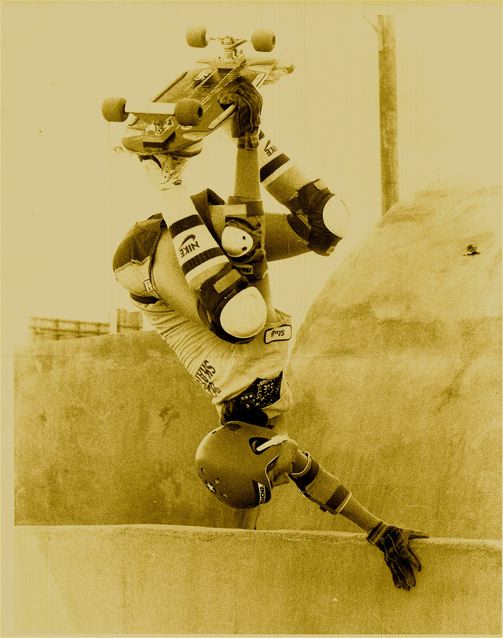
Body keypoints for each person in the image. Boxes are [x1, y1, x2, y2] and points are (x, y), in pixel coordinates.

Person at [112, 78, 427, 590]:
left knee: (242, 313)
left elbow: (247, 246)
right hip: (201, 251)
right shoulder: (266, 419)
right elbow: (321, 485)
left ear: (250, 447)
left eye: (273, 474)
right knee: (326, 223)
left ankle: (162, 174)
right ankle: (252, 137)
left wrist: (244, 137)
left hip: (147, 263)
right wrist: (379, 531)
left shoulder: (238, 374)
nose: (287, 472)